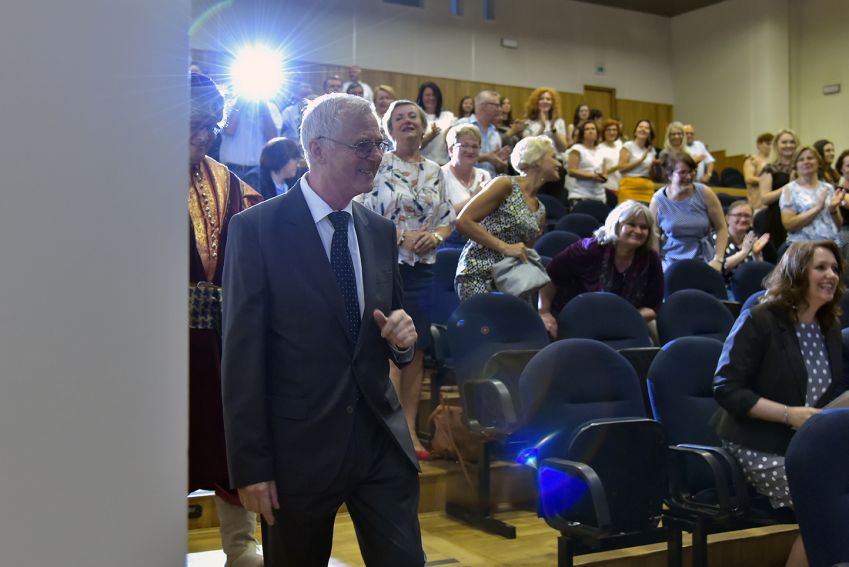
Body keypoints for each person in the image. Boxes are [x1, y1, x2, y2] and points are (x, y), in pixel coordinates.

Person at [221, 93, 424, 567]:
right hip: (298, 454)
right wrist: (251, 468)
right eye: (363, 145)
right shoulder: (256, 229)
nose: (376, 155)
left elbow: (392, 327)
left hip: (378, 442)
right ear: (317, 149)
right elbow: (241, 360)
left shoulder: (379, 231)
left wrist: (403, 341)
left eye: (378, 144)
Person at [712, 239, 847, 567]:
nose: (831, 275)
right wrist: (789, 415)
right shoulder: (760, 318)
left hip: (808, 443)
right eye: (821, 267)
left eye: (835, 268)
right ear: (797, 273)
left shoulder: (829, 326)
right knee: (830, 508)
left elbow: (829, 395)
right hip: (758, 442)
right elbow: (726, 388)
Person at [188, 73, 264, 567]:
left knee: (228, 434)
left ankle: (239, 546)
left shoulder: (228, 181)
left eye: (210, 126)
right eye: (192, 124)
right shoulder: (126, 173)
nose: (203, 136)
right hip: (148, 340)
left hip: (216, 336)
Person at [361, 99, 454, 459]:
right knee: (389, 345)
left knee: (416, 350)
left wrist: (437, 237)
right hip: (386, 265)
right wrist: (399, 236)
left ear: (423, 124)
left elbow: (447, 219)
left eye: (412, 116)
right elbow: (362, 210)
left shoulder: (435, 170)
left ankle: (411, 430)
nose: (407, 121)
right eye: (398, 117)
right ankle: (390, 430)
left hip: (423, 269)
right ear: (389, 128)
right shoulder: (379, 164)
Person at [454, 136, 557, 300]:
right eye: (553, 157)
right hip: (480, 273)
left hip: (512, 280)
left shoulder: (541, 210)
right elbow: (463, 221)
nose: (559, 163)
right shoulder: (505, 184)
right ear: (537, 160)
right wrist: (505, 247)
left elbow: (524, 251)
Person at [538, 200, 663, 336]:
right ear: (616, 224)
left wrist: (621, 319)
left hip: (625, 322)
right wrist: (544, 311)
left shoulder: (650, 258)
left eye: (644, 227)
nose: (638, 231)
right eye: (631, 224)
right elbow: (551, 275)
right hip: (578, 318)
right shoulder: (588, 249)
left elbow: (652, 307)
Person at [650, 153, 728, 271]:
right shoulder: (658, 200)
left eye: (691, 171)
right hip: (670, 262)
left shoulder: (705, 193)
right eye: (682, 172)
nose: (688, 176)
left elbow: (722, 228)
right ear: (669, 175)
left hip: (704, 259)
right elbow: (654, 236)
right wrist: (656, 264)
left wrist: (718, 259)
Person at [780, 146, 843, 243]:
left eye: (810, 158)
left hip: (830, 244)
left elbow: (838, 226)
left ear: (818, 162)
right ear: (795, 165)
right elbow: (789, 225)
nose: (806, 162)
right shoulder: (789, 190)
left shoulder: (828, 188)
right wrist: (817, 208)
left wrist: (833, 209)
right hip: (803, 246)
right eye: (801, 159)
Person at [219, 94, 279, 190]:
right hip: (231, 168)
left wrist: (265, 110)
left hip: (257, 170)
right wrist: (239, 103)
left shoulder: (271, 107)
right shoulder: (230, 104)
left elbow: (273, 138)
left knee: (256, 200)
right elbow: (229, 130)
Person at [713, 200, 772, 287]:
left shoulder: (755, 239)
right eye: (738, 215)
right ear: (727, 219)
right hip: (723, 287)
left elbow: (763, 273)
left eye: (747, 216)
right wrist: (744, 252)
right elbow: (717, 268)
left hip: (749, 287)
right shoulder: (716, 238)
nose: (743, 219)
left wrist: (756, 255)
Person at [758, 129, 799, 248]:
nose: (789, 145)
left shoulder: (801, 166)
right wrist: (789, 186)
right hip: (776, 217)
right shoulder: (770, 168)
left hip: (799, 215)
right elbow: (764, 198)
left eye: (792, 142)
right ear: (776, 145)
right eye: (784, 142)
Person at [456, 90, 512, 177]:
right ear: (483, 105)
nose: (499, 109)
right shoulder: (462, 126)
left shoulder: (495, 133)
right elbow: (455, 157)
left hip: (491, 182)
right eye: (496, 105)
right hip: (465, 182)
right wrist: (486, 157)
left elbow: (499, 170)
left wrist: (499, 162)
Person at [442, 124, 492, 214]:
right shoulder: (440, 176)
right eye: (464, 146)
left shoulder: (485, 176)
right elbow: (442, 215)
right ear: (451, 149)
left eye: (475, 146)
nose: (470, 151)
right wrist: (475, 197)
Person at [566, 120, 606, 206]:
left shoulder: (601, 151)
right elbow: (571, 171)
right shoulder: (577, 148)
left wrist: (603, 177)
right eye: (587, 129)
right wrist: (592, 176)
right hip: (581, 194)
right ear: (582, 134)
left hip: (600, 196)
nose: (590, 131)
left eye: (593, 129)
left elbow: (605, 172)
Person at [617, 119, 658, 204]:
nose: (643, 129)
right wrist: (641, 160)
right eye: (640, 127)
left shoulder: (651, 150)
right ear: (635, 131)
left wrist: (653, 166)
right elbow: (621, 168)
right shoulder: (628, 146)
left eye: (646, 128)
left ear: (650, 133)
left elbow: (652, 175)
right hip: (629, 186)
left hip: (646, 187)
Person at [416, 81, 455, 165]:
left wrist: (449, 136)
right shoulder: (416, 116)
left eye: (434, 95)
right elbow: (413, 147)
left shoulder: (448, 116)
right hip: (422, 165)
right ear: (421, 97)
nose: (431, 98)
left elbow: (453, 144)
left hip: (444, 164)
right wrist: (430, 136)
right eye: (427, 95)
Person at [520, 87, 568, 152]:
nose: (545, 101)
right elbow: (528, 147)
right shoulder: (529, 122)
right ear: (536, 102)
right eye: (541, 99)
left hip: (556, 156)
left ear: (552, 103)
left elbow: (563, 148)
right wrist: (542, 127)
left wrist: (553, 128)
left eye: (548, 99)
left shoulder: (559, 122)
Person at [743, 132, 774, 210]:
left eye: (772, 144)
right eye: (768, 144)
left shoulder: (774, 161)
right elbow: (749, 178)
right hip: (758, 201)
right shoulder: (751, 160)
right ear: (759, 144)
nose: (771, 147)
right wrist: (768, 181)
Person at [597, 118, 623, 200]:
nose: (612, 133)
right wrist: (618, 166)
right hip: (608, 187)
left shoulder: (620, 146)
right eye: (608, 130)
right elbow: (600, 173)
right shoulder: (599, 149)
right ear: (603, 132)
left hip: (622, 187)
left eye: (614, 130)